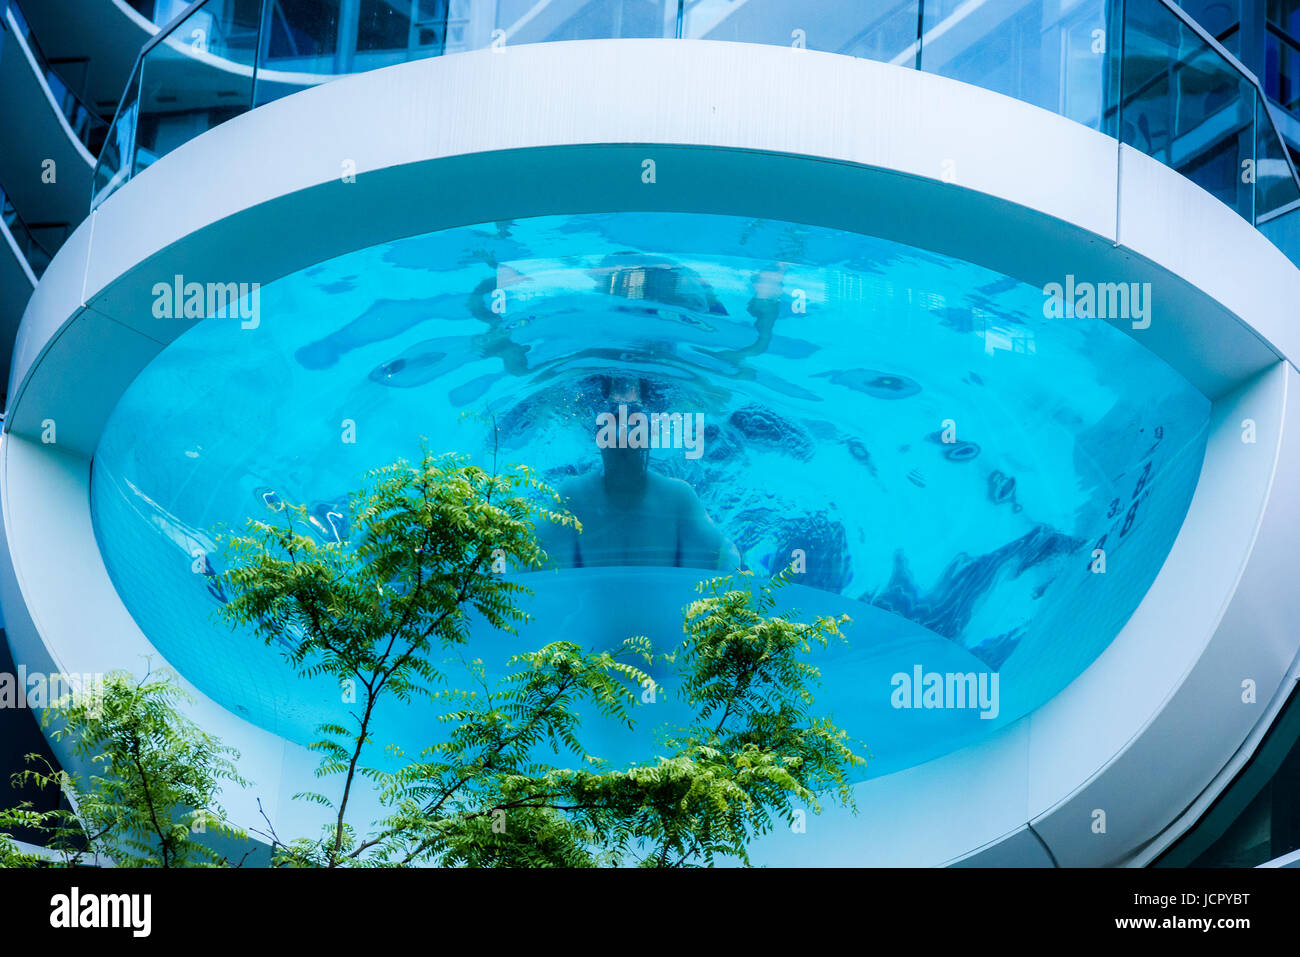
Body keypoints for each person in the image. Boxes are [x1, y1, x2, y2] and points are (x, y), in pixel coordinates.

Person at [541, 377, 739, 571]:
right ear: (600, 440)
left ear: (648, 440)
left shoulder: (678, 497)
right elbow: (531, 563)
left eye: (634, 431)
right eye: (614, 431)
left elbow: (722, 563)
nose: (624, 440)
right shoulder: (573, 495)